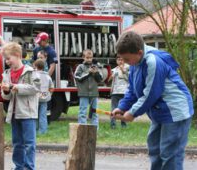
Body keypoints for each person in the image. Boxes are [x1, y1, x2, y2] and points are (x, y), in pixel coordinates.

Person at [112, 31, 194, 170]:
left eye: (126, 59)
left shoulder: (153, 61)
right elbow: (132, 89)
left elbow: (151, 94)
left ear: (139, 52)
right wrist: (123, 107)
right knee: (155, 149)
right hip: (160, 112)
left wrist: (132, 113)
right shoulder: (135, 63)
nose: (124, 63)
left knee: (170, 154)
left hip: (175, 111)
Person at [1, 42, 40, 170]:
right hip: (14, 114)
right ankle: (18, 166)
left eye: (8, 58)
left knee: (29, 144)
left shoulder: (30, 71)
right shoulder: (6, 73)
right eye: (5, 59)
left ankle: (29, 168)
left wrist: (15, 87)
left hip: (28, 113)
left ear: (17, 55)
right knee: (17, 143)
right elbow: (6, 96)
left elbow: (35, 88)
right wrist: (6, 91)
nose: (7, 61)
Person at [74, 49, 103, 126]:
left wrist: (96, 73)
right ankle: (82, 130)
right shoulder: (80, 67)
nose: (89, 59)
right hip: (83, 93)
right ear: (83, 57)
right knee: (82, 113)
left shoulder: (95, 67)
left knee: (95, 113)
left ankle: (94, 131)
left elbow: (100, 79)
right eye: (87, 57)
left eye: (91, 57)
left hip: (94, 93)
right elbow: (77, 78)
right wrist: (88, 73)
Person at [33, 59, 54, 134]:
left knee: (34, 114)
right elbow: (51, 87)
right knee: (43, 115)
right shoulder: (47, 76)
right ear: (44, 66)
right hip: (45, 98)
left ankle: (34, 129)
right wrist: (49, 95)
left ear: (35, 66)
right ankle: (43, 131)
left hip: (35, 98)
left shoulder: (33, 75)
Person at [109, 56, 129, 129]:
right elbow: (112, 81)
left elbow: (129, 79)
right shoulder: (114, 70)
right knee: (113, 108)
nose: (120, 61)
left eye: (122, 59)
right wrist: (111, 88)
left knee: (123, 108)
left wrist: (123, 71)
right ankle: (113, 125)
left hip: (124, 91)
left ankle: (123, 124)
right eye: (118, 60)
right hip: (115, 92)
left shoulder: (128, 68)